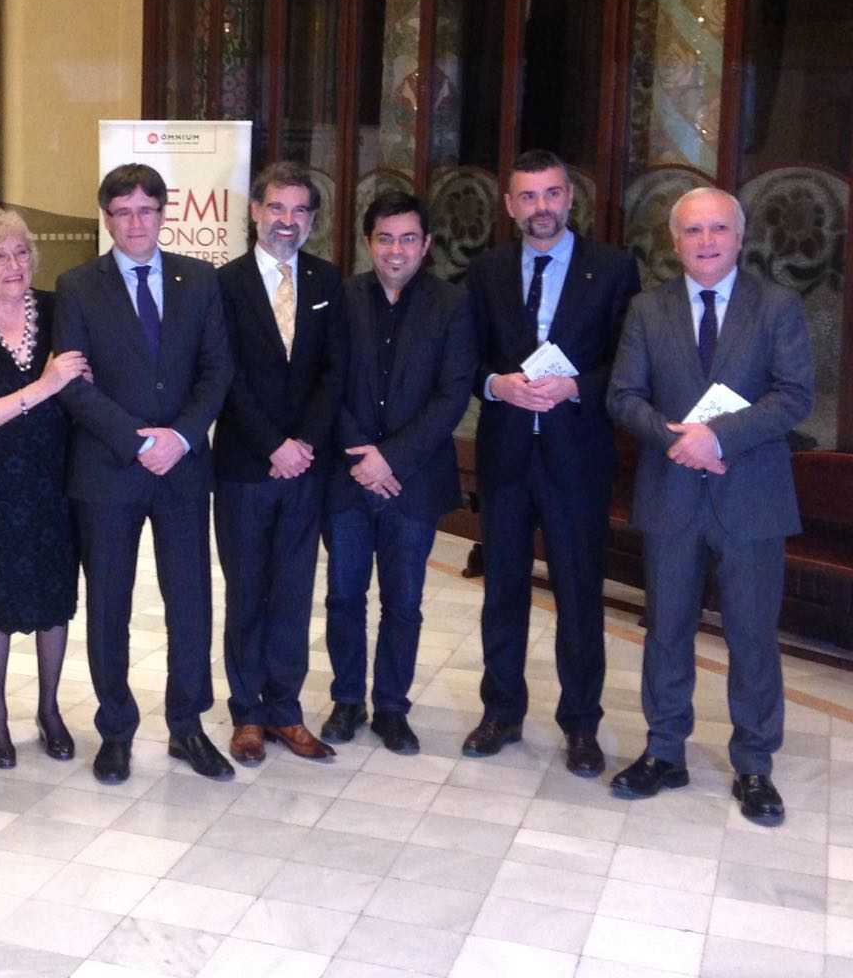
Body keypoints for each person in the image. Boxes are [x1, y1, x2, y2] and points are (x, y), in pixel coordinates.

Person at [607, 187, 812, 824]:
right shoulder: (647, 309)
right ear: (675, 242)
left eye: (718, 228)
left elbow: (794, 396)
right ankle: (664, 751)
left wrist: (716, 437)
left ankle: (754, 764)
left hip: (751, 498)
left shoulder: (777, 306)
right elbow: (623, 396)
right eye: (692, 230)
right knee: (666, 629)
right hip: (671, 494)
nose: (706, 241)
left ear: (739, 236)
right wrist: (679, 439)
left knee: (752, 635)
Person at [54, 163, 234, 785]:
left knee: (190, 600)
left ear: (164, 213)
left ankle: (187, 725)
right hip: (109, 470)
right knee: (109, 604)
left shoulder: (199, 280)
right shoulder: (78, 286)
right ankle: (116, 729)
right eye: (123, 211)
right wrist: (138, 442)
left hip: (182, 468)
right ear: (107, 218)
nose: (136, 223)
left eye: (147, 210)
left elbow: (217, 370)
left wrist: (180, 437)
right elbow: (72, 382)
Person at [462, 150, 640, 776]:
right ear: (511, 205)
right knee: (503, 588)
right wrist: (495, 385)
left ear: (570, 198)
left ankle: (581, 725)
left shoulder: (613, 268)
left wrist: (576, 387)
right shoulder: (485, 270)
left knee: (580, 593)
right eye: (529, 196)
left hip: (577, 458)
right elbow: (464, 357)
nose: (542, 207)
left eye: (553, 193)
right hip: (506, 455)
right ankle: (501, 712)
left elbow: (629, 362)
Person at [321, 191, 476, 754]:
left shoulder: (452, 305)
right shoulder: (342, 298)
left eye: (409, 239)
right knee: (344, 596)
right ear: (369, 242)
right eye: (385, 238)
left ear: (426, 244)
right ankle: (346, 700)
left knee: (403, 602)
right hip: (347, 478)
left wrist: (392, 458)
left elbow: (452, 394)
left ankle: (391, 707)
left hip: (414, 482)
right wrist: (361, 456)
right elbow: (327, 383)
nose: (396, 250)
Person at [0, 209, 89, 769]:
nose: (14, 265)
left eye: (22, 252)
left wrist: (80, 380)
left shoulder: (58, 310)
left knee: (55, 598)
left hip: (56, 477)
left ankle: (50, 709)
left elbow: (85, 379)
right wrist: (44, 386)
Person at [212, 162, 347, 765]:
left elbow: (334, 373)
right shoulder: (223, 284)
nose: (287, 221)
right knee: (247, 591)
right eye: (276, 207)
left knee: (293, 591)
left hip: (306, 469)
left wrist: (304, 445)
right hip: (246, 465)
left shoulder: (327, 280)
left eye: (299, 210)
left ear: (312, 219)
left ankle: (285, 711)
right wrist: (273, 445)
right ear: (254, 212)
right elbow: (224, 375)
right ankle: (247, 713)